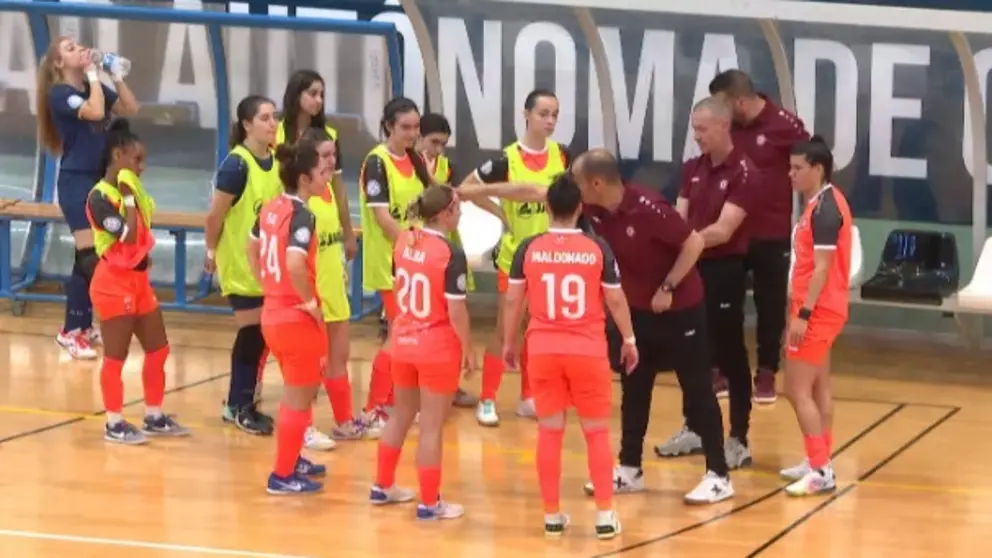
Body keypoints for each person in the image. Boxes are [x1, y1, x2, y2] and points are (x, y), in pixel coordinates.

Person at [459, 149, 734, 504]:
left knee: (697, 391)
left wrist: (668, 286)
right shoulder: (589, 204)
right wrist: (474, 192)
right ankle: (630, 469)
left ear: (596, 183)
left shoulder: (649, 208)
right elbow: (529, 191)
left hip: (681, 310)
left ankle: (718, 474)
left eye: (575, 179)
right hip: (638, 311)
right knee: (635, 389)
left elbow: (694, 242)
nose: (568, 186)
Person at [502, 173, 634, 538]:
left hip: (543, 350)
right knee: (596, 433)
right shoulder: (597, 248)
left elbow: (514, 300)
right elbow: (616, 299)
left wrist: (509, 343)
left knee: (549, 432)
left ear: (547, 207)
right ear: (580, 207)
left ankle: (551, 515)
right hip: (587, 351)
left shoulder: (528, 247)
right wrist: (629, 339)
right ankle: (606, 515)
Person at [459, 89, 571, 427]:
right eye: (543, 114)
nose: (550, 121)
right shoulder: (507, 160)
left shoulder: (563, 157)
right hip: (516, 258)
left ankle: (528, 397)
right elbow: (466, 188)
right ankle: (489, 399)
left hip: (550, 258)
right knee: (505, 328)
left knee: (535, 329)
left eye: (554, 114)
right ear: (527, 114)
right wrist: (500, 214)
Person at [662, 97, 756, 470]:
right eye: (694, 129)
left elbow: (724, 228)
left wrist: (688, 241)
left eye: (702, 129)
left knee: (730, 354)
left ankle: (738, 437)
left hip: (725, 270)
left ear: (723, 126)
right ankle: (695, 426)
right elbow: (678, 215)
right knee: (690, 351)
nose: (696, 136)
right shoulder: (692, 169)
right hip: (692, 268)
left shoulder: (744, 173)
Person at [370, 184, 472, 520]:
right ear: (445, 213)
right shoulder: (451, 254)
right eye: (458, 206)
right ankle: (429, 502)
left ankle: (382, 485)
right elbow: (456, 312)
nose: (461, 212)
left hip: (402, 342)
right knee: (430, 426)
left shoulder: (406, 240)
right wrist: (469, 349)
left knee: (400, 414)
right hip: (436, 347)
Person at [709, 69, 810, 403]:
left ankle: (766, 373)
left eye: (723, 105)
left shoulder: (785, 126)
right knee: (725, 305)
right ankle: (723, 370)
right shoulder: (725, 128)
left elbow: (809, 169)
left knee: (770, 306)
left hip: (771, 234)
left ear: (739, 100)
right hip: (731, 233)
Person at [85, 119, 189, 444]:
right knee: (116, 356)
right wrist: (129, 199)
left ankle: (154, 415)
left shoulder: (130, 191)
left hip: (139, 282)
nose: (141, 168)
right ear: (118, 155)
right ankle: (114, 423)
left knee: (158, 349)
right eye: (136, 160)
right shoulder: (100, 197)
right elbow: (127, 238)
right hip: (113, 283)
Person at [37, 37, 139, 360]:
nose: (79, 50)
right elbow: (95, 112)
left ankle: (81, 323)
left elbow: (129, 108)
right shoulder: (60, 93)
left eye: (78, 45)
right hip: (76, 182)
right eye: (70, 49)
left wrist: (115, 75)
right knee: (88, 256)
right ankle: (70, 330)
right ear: (58, 64)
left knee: (91, 255)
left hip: (97, 182)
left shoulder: (90, 87)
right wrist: (94, 74)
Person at [249, 138, 330, 495]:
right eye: (321, 168)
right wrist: (310, 301)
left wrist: (267, 283)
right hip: (295, 317)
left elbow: (251, 247)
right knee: (298, 398)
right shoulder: (302, 214)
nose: (327, 172)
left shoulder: (270, 208)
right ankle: (281, 475)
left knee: (295, 392)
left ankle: (292, 458)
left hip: (273, 312)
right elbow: (295, 262)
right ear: (303, 177)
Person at [779, 137, 852, 496]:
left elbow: (821, 269)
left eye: (797, 168)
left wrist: (803, 314)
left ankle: (821, 470)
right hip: (819, 308)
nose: (790, 174)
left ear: (817, 169)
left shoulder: (826, 210)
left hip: (818, 310)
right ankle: (818, 460)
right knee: (820, 386)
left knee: (795, 388)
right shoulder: (821, 203)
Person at [205, 95, 281, 435]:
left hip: (264, 261)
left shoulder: (276, 160)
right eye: (264, 118)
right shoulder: (236, 165)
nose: (272, 123)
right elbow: (215, 215)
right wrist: (210, 251)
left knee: (261, 335)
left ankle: (241, 403)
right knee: (252, 335)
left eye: (274, 117)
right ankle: (239, 405)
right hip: (239, 260)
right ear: (247, 124)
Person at [299, 127, 380, 444]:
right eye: (325, 155)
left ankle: (344, 422)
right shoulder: (298, 198)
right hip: (311, 290)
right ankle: (303, 426)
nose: (332, 161)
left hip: (334, 283)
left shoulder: (328, 190)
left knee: (339, 357)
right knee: (310, 364)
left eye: (334, 154)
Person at [359, 97, 433, 428]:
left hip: (413, 261)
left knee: (406, 336)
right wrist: (407, 245)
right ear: (389, 126)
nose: (412, 133)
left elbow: (430, 200)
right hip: (391, 261)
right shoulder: (376, 162)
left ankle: (392, 402)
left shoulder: (415, 159)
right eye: (405, 127)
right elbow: (382, 216)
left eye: (416, 127)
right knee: (396, 335)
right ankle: (374, 406)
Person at [418, 112, 477, 409]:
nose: (438, 150)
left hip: (443, 248)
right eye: (433, 142)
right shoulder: (407, 165)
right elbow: (431, 200)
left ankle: (448, 385)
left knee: (449, 319)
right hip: (417, 252)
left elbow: (447, 197)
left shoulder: (447, 167)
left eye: (443, 144)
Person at [277, 69, 358, 261]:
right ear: (296, 94)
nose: (319, 100)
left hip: (323, 217)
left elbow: (338, 187)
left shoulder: (330, 136)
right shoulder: (275, 133)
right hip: (286, 215)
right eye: (313, 94)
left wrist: (348, 232)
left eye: (322, 95)